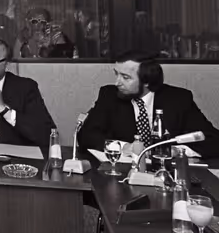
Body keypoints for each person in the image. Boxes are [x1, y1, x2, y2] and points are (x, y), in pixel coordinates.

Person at [78, 51, 219, 158]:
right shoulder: (109, 96)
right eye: (117, 74)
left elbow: (213, 140)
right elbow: (86, 136)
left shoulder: (179, 99)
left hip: (167, 174)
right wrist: (124, 147)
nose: (117, 83)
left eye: (126, 77)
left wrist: (177, 151)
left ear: (147, 81)